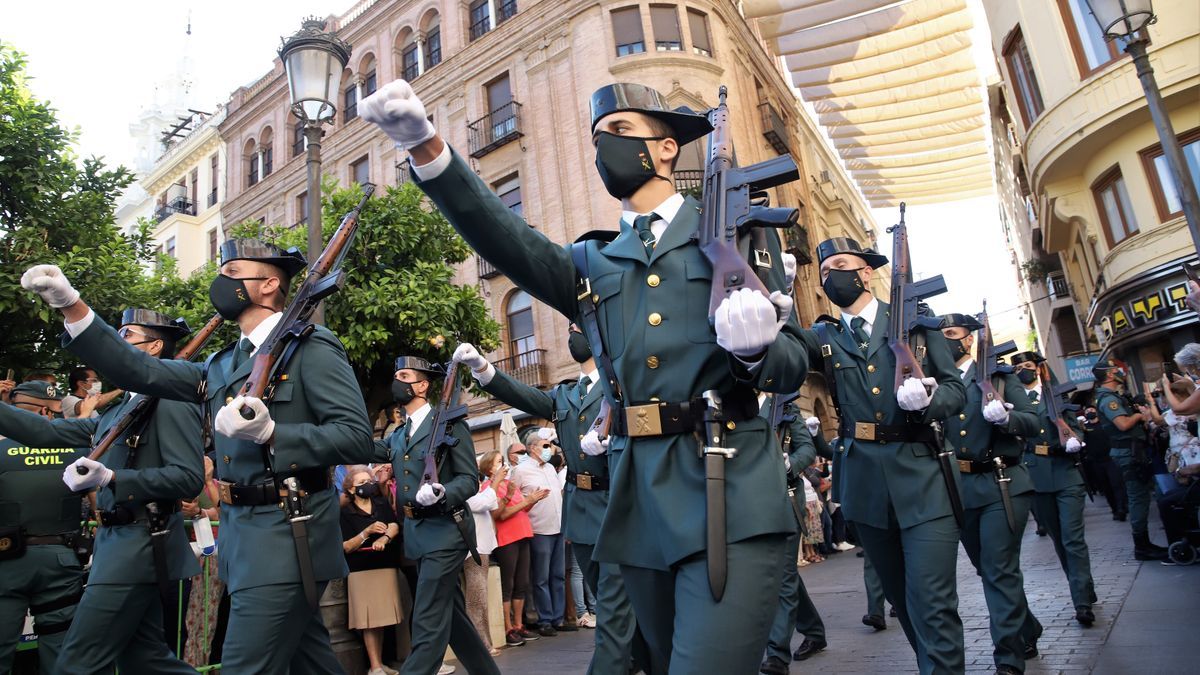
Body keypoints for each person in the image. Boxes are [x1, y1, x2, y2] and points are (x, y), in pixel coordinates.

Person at [364, 78, 806, 673]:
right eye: (597, 138)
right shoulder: (593, 261)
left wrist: (754, 352)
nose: (605, 149)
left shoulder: (735, 231)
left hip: (726, 481)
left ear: (668, 147)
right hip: (638, 496)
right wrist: (427, 148)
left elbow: (792, 365)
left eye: (621, 132)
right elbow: (506, 236)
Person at [22, 240, 375, 674]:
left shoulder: (312, 347)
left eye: (232, 272)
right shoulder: (225, 363)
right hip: (242, 537)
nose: (220, 281)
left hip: (288, 533)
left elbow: (356, 437)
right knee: (310, 661)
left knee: (246, 666)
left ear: (268, 284)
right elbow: (141, 370)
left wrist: (273, 432)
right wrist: (71, 305)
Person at [797, 237, 967, 674]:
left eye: (841, 264)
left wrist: (929, 397)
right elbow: (783, 357)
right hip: (867, 485)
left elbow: (955, 388)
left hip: (921, 475)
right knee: (903, 602)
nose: (833, 274)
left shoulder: (913, 322)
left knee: (933, 602)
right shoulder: (825, 336)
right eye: (825, 269)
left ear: (866, 271)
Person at [0, 310, 203, 674]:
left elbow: (187, 478)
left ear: (155, 347)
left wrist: (112, 477)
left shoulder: (169, 400)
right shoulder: (123, 407)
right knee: (146, 660)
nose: (114, 343)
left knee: (75, 664)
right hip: (120, 543)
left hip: (139, 544)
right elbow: (47, 433)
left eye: (126, 335)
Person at [371, 356, 499, 675]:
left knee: (427, 620)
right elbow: (366, 448)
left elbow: (469, 479)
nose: (396, 380)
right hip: (418, 533)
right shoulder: (400, 435)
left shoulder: (450, 423)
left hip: (445, 532)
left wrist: (443, 493)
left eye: (404, 375)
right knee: (453, 618)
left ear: (422, 385)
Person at [939, 314, 1042, 674]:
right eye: (941, 334)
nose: (945, 340)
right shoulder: (936, 384)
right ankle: (1027, 626)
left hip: (1002, 482)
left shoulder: (1000, 377)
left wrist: (1006, 419)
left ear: (969, 340)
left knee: (999, 569)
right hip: (961, 488)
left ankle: (1009, 657)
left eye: (952, 333)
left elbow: (1033, 421)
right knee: (988, 569)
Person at [0, 378, 89, 675]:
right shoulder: (77, 449)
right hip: (62, 563)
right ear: (44, 415)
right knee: (60, 653)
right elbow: (102, 505)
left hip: (5, 562)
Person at [1011, 351, 1099, 625]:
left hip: (1065, 472)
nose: (1023, 371)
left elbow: (1074, 427)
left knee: (1073, 539)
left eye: (1027, 366)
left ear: (1038, 369)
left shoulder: (1056, 395)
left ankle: (1082, 601)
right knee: (1060, 540)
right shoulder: (1012, 401)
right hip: (1035, 476)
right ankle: (1084, 586)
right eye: (1018, 368)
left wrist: (1075, 440)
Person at [760, 394, 825, 675]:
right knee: (784, 575)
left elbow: (807, 450)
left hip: (784, 501)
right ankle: (814, 630)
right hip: (750, 504)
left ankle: (776, 654)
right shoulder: (732, 401)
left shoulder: (783, 404)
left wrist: (789, 465)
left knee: (782, 576)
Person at [1093, 358, 1169, 561]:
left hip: (1135, 451)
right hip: (1129, 454)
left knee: (1142, 495)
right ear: (1109, 374)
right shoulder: (1108, 399)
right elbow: (1123, 424)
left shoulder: (1114, 396)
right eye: (1116, 369)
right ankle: (1142, 546)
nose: (1121, 371)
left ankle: (1144, 543)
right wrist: (1139, 417)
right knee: (1138, 498)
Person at [340, 465, 403, 675]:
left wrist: (385, 537)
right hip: (360, 570)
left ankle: (381, 663)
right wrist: (366, 532)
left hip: (384, 565)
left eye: (369, 481)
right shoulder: (345, 512)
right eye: (361, 483)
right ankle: (374, 666)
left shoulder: (380, 503)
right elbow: (345, 546)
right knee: (368, 621)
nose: (367, 486)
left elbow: (394, 525)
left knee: (381, 618)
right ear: (350, 489)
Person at [510, 428, 568, 636]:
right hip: (539, 528)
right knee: (541, 578)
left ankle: (558, 618)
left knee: (558, 575)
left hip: (558, 527)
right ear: (532, 448)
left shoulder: (551, 469)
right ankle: (545, 619)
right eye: (545, 446)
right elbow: (512, 498)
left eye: (549, 445)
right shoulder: (521, 471)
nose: (549, 449)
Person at [489, 444, 541, 647]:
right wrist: (518, 498)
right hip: (506, 538)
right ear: (489, 468)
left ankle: (519, 624)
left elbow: (522, 510)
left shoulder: (510, 484)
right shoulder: (489, 488)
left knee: (522, 583)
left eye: (502, 462)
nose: (502, 466)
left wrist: (534, 500)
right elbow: (500, 514)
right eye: (498, 463)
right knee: (508, 584)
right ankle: (508, 626)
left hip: (523, 534)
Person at [466, 452, 504, 657]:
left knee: (481, 597)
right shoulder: (462, 484)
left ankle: (485, 641)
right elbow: (478, 503)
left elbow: (491, 504)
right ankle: (481, 644)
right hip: (472, 546)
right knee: (476, 598)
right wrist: (495, 482)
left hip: (482, 544)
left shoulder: (474, 483)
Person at [1080, 404, 1127, 521]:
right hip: (1096, 462)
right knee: (1106, 487)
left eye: (1092, 410)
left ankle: (1122, 507)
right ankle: (1115, 509)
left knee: (1116, 483)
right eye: (1087, 411)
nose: (1090, 412)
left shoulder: (1105, 424)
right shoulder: (1085, 428)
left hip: (1110, 459)